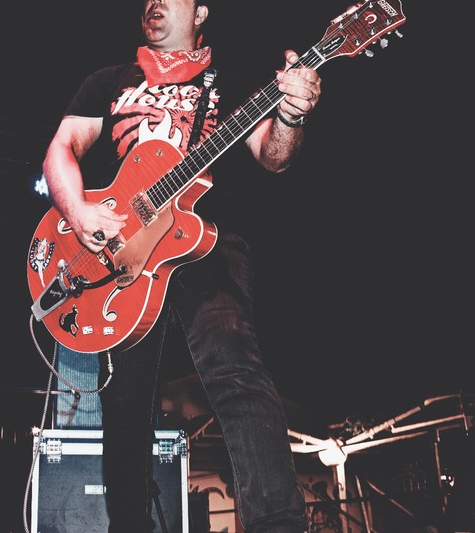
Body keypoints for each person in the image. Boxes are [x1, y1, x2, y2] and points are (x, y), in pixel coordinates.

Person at [41, 0, 321, 531]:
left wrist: (290, 114)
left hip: (205, 240)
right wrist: (77, 212)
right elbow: (61, 147)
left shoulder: (232, 82)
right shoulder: (108, 81)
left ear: (200, 13)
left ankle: (277, 523)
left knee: (236, 370)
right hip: (123, 254)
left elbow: (274, 156)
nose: (154, 3)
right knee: (125, 407)